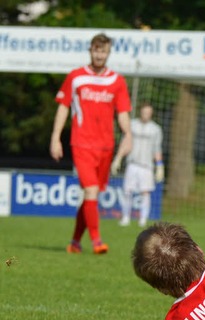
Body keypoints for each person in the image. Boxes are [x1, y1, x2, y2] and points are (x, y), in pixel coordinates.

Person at [49, 33, 132, 255]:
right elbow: (63, 107)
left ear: (108, 53)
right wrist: (55, 137)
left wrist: (129, 133)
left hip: (106, 146)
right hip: (82, 144)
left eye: (103, 51)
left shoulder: (117, 81)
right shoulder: (76, 77)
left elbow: (122, 113)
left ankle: (75, 242)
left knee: (90, 196)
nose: (99, 54)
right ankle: (97, 241)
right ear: (90, 51)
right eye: (96, 50)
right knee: (92, 191)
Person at [113, 102, 164, 227]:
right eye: (144, 112)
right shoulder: (132, 125)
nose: (146, 114)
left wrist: (159, 166)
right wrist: (118, 158)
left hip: (146, 166)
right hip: (132, 164)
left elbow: (157, 149)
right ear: (140, 112)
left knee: (145, 193)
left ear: (151, 113)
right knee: (127, 191)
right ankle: (125, 217)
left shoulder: (156, 129)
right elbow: (125, 142)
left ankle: (143, 219)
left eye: (148, 112)